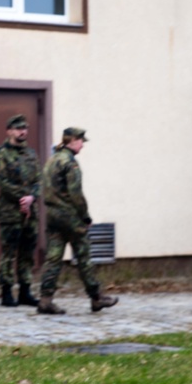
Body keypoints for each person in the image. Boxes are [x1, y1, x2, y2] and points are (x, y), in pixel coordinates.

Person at [36, 127, 118, 315]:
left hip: (53, 216)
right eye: (81, 141)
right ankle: (96, 298)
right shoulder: (70, 163)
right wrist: (85, 216)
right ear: (72, 141)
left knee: (53, 259)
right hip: (70, 217)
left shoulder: (52, 160)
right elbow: (76, 194)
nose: (82, 145)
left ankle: (45, 299)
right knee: (83, 256)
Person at [0, 113, 41, 307]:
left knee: (27, 251)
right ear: (9, 131)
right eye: (19, 128)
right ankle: (6, 292)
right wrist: (23, 198)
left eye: (25, 128)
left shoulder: (31, 154)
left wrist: (32, 198)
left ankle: (25, 291)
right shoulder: (1, 154)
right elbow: (2, 181)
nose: (23, 131)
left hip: (30, 211)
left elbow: (39, 180)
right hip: (10, 211)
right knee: (9, 252)